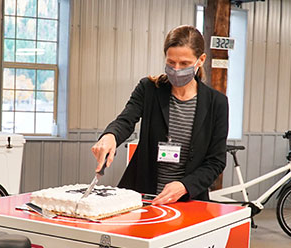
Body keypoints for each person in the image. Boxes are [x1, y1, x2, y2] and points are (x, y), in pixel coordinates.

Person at [91, 25, 229, 206]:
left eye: (185, 64)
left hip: (188, 200)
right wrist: (110, 136)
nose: (177, 69)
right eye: (171, 63)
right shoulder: (149, 89)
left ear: (201, 60)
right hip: (143, 195)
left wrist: (184, 185)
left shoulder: (216, 103)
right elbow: (125, 120)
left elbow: (216, 161)